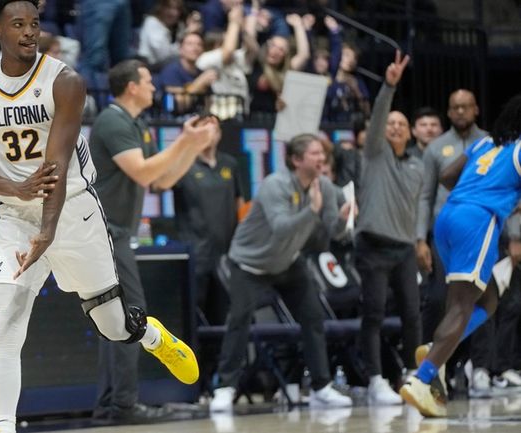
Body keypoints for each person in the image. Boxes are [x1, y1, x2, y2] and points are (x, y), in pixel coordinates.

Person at [0, 2, 200, 432]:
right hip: (16, 215)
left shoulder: (65, 81)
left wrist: (48, 229)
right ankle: (3, 426)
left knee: (113, 326)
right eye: (18, 25)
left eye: (34, 24)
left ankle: (152, 336)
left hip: (71, 212)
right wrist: (15, 190)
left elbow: (58, 163)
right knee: (8, 325)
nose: (29, 32)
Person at [88, 58, 215, 424]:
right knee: (132, 317)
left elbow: (160, 180)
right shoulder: (112, 120)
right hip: (108, 232)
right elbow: (143, 171)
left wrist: (191, 146)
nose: (154, 88)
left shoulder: (135, 123)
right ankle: (123, 407)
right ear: (131, 86)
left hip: (115, 234)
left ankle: (110, 404)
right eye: (148, 82)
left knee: (114, 322)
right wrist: (184, 142)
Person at [208, 133, 353, 412]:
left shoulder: (324, 185)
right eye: (315, 154)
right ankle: (224, 388)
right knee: (239, 321)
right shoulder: (275, 185)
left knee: (312, 317)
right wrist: (312, 210)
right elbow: (282, 227)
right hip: (250, 263)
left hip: (287, 262)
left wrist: (345, 219)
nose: (322, 159)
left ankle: (321, 387)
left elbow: (334, 230)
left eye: (322, 154)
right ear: (297, 160)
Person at [400, 93, 521, 418]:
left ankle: (437, 349)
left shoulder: (485, 144)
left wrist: (484, 193)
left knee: (489, 299)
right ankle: (421, 379)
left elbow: (447, 177)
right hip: (476, 222)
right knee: (461, 305)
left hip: (448, 219)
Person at [354, 51, 422, 406]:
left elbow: (420, 206)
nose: (394, 127)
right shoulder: (374, 154)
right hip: (373, 246)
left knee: (413, 314)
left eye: (401, 124)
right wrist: (388, 88)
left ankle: (413, 376)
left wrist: (420, 239)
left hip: (404, 248)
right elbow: (380, 117)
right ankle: (376, 381)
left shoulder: (417, 165)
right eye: (390, 123)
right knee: (374, 313)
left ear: (410, 134)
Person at [172, 115, 244, 392]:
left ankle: (220, 383)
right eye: (204, 124)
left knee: (222, 321)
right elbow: (159, 184)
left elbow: (241, 205)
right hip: (196, 258)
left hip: (226, 259)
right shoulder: (185, 164)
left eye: (214, 125)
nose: (210, 129)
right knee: (193, 323)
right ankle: (194, 385)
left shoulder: (230, 164)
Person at [416, 89, 487, 343]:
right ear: (448, 112)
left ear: (475, 109)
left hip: (482, 233)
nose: (460, 112)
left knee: (482, 298)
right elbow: (425, 196)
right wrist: (420, 239)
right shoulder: (436, 148)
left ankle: (477, 366)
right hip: (444, 235)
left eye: (465, 106)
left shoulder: (491, 143)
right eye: (455, 107)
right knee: (437, 298)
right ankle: (425, 358)